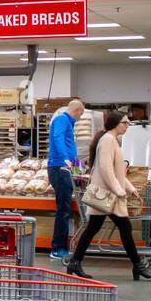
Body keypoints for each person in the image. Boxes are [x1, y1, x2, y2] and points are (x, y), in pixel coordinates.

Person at [65, 110, 151, 282]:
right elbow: (106, 170)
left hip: (107, 195)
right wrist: (120, 191)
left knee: (95, 229)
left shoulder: (111, 140)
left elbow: (118, 171)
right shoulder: (108, 140)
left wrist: (129, 188)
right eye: (125, 123)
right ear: (116, 123)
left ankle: (75, 262)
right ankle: (138, 266)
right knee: (123, 228)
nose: (127, 126)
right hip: (108, 195)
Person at [47, 99, 85, 260]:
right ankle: (57, 248)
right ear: (77, 110)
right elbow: (57, 139)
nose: (81, 118)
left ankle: (60, 245)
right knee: (63, 209)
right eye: (81, 114)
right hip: (60, 168)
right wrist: (65, 159)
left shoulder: (68, 123)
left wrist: (79, 169)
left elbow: (70, 147)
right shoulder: (62, 120)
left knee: (65, 208)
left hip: (65, 168)